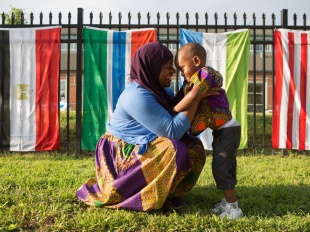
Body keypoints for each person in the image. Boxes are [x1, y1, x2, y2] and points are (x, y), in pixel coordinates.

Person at [76, 41, 208, 212]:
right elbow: (172, 131)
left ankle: (167, 194)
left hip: (141, 144)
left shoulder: (160, 91)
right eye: (168, 67)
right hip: (119, 153)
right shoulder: (136, 96)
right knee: (173, 148)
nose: (173, 72)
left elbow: (179, 117)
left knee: (193, 146)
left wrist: (195, 89)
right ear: (152, 68)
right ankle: (139, 195)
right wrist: (197, 95)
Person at [174, 42, 243, 219]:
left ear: (196, 60)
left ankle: (234, 209)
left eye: (182, 68)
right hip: (222, 132)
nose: (182, 74)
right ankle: (227, 202)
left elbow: (193, 96)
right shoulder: (194, 81)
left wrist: (171, 112)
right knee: (223, 167)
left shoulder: (206, 74)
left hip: (228, 131)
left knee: (222, 168)